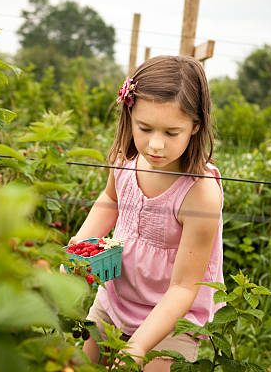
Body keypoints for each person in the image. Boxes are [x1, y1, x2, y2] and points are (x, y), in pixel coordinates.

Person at [68, 55, 224, 371]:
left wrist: (137, 346)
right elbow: (108, 201)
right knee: (77, 364)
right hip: (115, 299)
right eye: (145, 127)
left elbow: (183, 288)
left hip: (173, 315)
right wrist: (77, 250)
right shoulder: (124, 160)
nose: (155, 145)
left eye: (171, 132)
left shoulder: (200, 193)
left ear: (195, 126)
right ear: (130, 115)